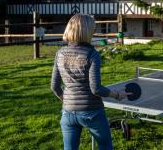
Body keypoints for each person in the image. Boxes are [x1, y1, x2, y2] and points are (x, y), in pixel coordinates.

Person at [51, 14, 131, 150]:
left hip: (68, 113)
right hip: (92, 111)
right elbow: (96, 89)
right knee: (105, 146)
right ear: (87, 31)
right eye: (93, 29)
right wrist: (117, 95)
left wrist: (67, 101)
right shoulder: (92, 54)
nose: (94, 32)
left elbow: (54, 86)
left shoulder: (60, 53)